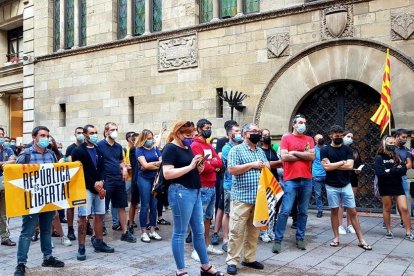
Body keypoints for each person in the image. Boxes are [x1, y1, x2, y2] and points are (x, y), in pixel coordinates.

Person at [162, 121, 223, 276]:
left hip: (195, 191)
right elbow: (167, 173)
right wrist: (190, 167)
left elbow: (193, 168)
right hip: (180, 192)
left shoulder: (187, 147)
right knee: (180, 232)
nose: (191, 138)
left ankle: (205, 266)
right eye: (188, 135)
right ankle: (181, 270)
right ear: (178, 133)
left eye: (193, 135)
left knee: (199, 231)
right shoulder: (170, 148)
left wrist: (199, 169)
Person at [14, 126, 64, 276]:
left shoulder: (51, 154)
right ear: (34, 137)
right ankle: (21, 263)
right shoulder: (26, 155)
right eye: (42, 135)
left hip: (47, 199)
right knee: (27, 232)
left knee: (46, 229)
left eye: (47, 136)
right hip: (31, 200)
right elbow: (16, 176)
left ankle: (47, 257)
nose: (45, 138)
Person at [226, 123, 269, 275]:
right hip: (241, 197)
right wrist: (252, 165)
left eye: (259, 131)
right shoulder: (236, 150)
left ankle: (249, 258)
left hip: (258, 198)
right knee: (236, 230)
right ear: (245, 134)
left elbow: (266, 166)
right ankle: (232, 260)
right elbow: (231, 169)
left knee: (253, 230)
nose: (258, 134)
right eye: (254, 131)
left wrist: (266, 166)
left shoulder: (260, 151)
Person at [321, 125, 371, 250]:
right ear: (330, 135)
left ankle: (361, 240)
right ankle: (336, 238)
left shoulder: (348, 150)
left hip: (346, 184)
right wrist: (342, 162)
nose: (338, 136)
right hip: (331, 185)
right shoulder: (325, 150)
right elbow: (326, 167)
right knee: (334, 211)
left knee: (353, 212)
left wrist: (334, 165)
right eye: (335, 134)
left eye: (340, 134)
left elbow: (350, 167)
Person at [272, 114, 315, 254]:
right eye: (300, 122)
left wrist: (294, 152)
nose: (303, 124)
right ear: (294, 124)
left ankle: (300, 238)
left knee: (303, 211)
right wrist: (303, 154)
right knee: (285, 211)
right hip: (291, 179)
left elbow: (312, 156)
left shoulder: (309, 139)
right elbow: (284, 157)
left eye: (304, 122)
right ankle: (278, 240)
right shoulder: (286, 138)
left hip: (307, 179)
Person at [72, 124, 115, 260]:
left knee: (100, 215)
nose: (94, 135)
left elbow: (103, 168)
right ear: (85, 135)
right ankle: (81, 246)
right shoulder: (78, 151)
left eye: (96, 132)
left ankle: (99, 241)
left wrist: (102, 182)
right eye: (91, 133)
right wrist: (94, 184)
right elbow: (80, 171)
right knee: (83, 217)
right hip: (86, 188)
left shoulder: (99, 149)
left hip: (99, 187)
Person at [190, 119, 224, 260]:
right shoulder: (195, 145)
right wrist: (212, 165)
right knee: (199, 218)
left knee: (208, 217)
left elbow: (220, 163)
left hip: (212, 185)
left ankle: (207, 244)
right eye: (206, 127)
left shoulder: (208, 146)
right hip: (202, 185)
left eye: (210, 127)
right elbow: (201, 166)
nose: (208, 130)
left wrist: (210, 163)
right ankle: (196, 249)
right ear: (198, 129)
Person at [97, 122, 136, 243]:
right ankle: (99, 232)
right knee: (102, 207)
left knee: (121, 206)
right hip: (106, 179)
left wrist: (124, 168)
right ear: (106, 131)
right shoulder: (99, 146)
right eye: (112, 129)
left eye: (116, 129)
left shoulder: (119, 147)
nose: (115, 132)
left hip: (118, 179)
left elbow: (121, 161)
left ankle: (125, 232)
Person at [375, 135, 414, 241]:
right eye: (390, 143)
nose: (392, 145)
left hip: (397, 185)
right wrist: (395, 170)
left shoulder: (396, 156)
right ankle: (388, 230)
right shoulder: (379, 157)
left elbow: (403, 170)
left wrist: (390, 171)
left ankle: (408, 232)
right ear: (385, 144)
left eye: (393, 143)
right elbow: (380, 174)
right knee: (387, 208)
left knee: (404, 209)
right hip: (385, 186)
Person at [135, 129, 163, 243]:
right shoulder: (139, 150)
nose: (150, 140)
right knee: (145, 205)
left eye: (151, 138)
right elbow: (144, 166)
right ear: (143, 139)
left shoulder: (156, 149)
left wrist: (150, 165)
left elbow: (162, 162)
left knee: (154, 205)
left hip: (155, 180)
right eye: (148, 138)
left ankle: (152, 229)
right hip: (144, 179)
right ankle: (143, 232)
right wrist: (153, 164)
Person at [219, 123, 243, 252]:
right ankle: (225, 239)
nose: (239, 133)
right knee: (227, 212)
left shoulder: (241, 147)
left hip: (240, 185)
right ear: (229, 134)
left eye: (240, 131)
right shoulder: (227, 148)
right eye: (237, 131)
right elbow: (232, 167)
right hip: (229, 185)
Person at [259, 129, 282, 242]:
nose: (267, 137)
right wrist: (272, 164)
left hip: (274, 180)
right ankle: (263, 232)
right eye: (264, 135)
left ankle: (271, 230)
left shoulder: (273, 150)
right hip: (264, 182)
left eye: (268, 134)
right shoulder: (259, 151)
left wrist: (270, 164)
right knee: (265, 208)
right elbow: (263, 165)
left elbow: (280, 163)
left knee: (273, 208)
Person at [337, 131, 363, 234]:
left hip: (353, 177)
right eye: (348, 136)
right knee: (340, 203)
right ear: (342, 136)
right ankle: (339, 225)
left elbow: (359, 162)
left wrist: (359, 169)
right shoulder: (338, 149)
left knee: (350, 202)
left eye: (351, 137)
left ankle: (350, 225)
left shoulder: (355, 150)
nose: (350, 139)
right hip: (341, 178)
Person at [0, 127, 17, 246]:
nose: (1, 137)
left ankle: (5, 237)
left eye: (2, 134)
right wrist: (6, 164)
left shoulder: (8, 149)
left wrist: (3, 164)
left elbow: (14, 160)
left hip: (4, 185)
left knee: (4, 213)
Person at [394, 129, 412, 228]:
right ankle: (386, 220)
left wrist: (401, 168)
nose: (405, 139)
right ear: (397, 136)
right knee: (388, 199)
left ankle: (403, 220)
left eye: (406, 137)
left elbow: (409, 164)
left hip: (402, 177)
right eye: (403, 137)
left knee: (404, 198)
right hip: (390, 178)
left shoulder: (406, 150)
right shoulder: (390, 148)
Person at [127, 132, 140, 231]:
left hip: (144, 178)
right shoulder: (133, 150)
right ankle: (130, 222)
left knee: (147, 203)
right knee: (134, 202)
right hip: (136, 178)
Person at [312, 134, 326, 218]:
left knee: (331, 193)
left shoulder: (327, 148)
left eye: (322, 138)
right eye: (318, 139)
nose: (320, 139)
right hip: (317, 174)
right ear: (315, 141)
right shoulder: (313, 150)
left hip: (328, 174)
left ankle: (336, 211)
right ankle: (320, 210)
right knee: (318, 194)